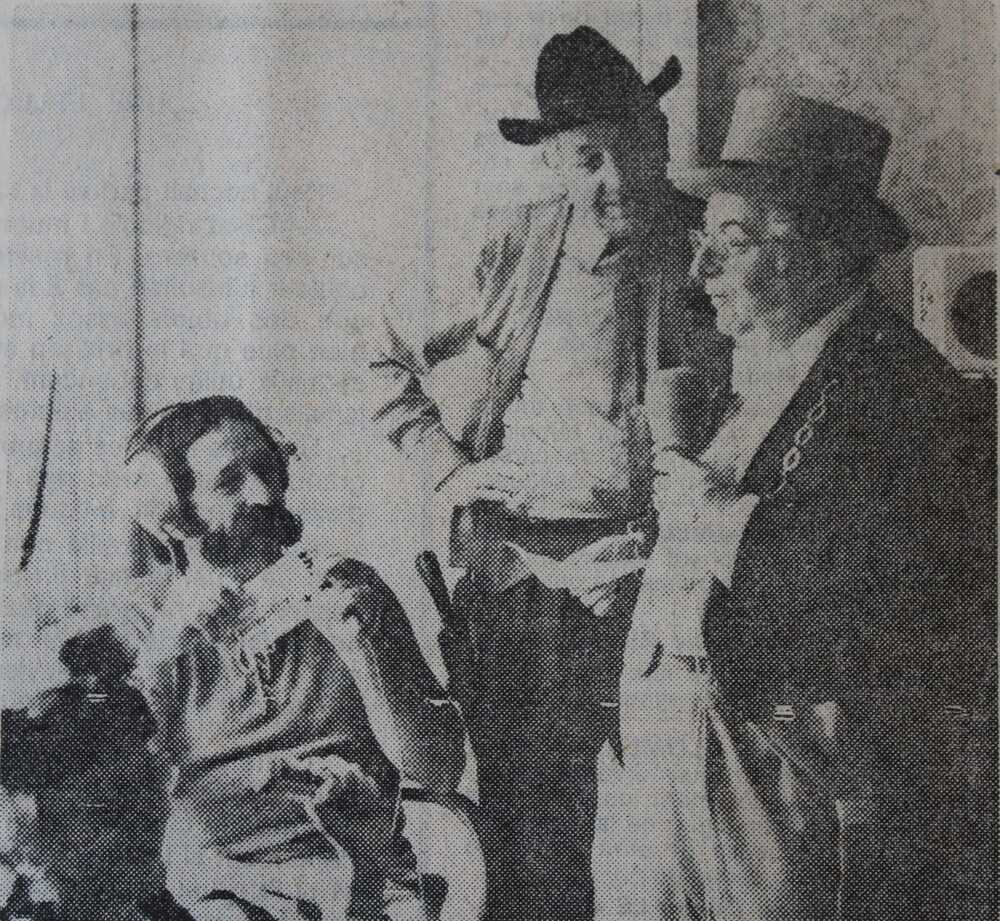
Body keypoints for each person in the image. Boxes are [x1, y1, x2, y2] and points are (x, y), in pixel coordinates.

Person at [595, 87, 997, 921]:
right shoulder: (757, 358)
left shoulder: (905, 389)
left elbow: (896, 609)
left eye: (731, 243)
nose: (700, 271)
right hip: (672, 765)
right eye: (704, 240)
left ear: (818, 249)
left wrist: (711, 516)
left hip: (777, 782)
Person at [370, 25, 723, 921]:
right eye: (589, 158)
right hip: (528, 585)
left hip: (674, 580)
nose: (620, 176)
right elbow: (380, 355)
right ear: (556, 165)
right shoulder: (514, 246)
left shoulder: (715, 245)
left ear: (661, 135)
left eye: (634, 145)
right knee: (535, 840)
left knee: (682, 830)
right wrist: (448, 469)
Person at [118, 396, 466, 921]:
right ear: (174, 516)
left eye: (266, 468)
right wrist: (168, 648)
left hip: (368, 885)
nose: (263, 494)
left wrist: (366, 658)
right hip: (214, 893)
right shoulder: (141, 623)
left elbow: (438, 771)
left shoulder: (352, 587)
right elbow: (120, 805)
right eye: (230, 482)